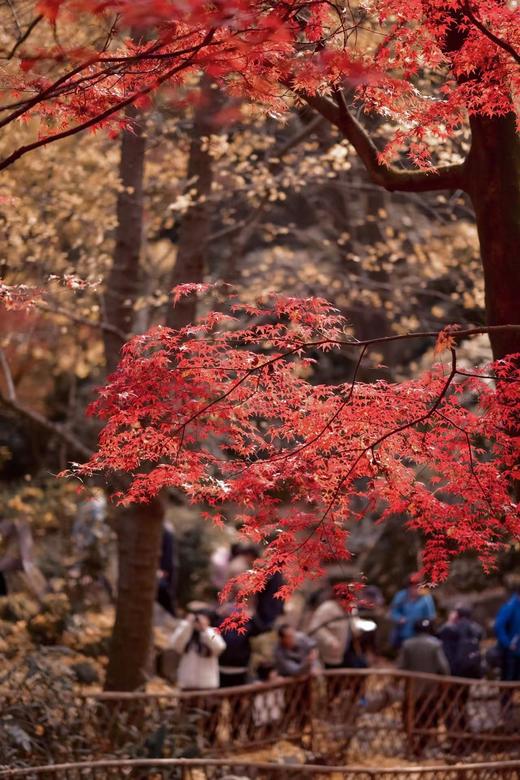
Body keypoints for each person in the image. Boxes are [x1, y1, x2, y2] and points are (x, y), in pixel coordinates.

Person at [397, 619, 450, 755]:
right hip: (430, 691)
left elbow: (400, 667)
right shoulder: (436, 645)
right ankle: (422, 746)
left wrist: (397, 681)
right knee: (429, 719)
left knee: (410, 718)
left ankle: (412, 744)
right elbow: (444, 668)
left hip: (412, 691)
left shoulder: (407, 644)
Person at [438, 605, 484, 747]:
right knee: (463, 704)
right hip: (468, 674)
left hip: (452, 674)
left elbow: (440, 634)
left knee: (449, 706)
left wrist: (449, 622)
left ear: (457, 615)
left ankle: (453, 737)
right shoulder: (476, 629)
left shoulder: (451, 629)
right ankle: (465, 736)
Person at [170, 607, 226, 690]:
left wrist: (205, 629)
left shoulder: (211, 632)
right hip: (187, 683)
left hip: (207, 684)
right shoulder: (187, 633)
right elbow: (175, 644)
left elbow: (219, 647)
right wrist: (187, 624)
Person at [217, 602, 264, 687]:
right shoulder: (220, 623)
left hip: (240, 668)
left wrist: (252, 617)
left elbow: (260, 630)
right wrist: (218, 613)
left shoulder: (246, 626)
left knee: (238, 696)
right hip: (221, 667)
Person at [389, 575, 436, 649]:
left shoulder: (426, 598)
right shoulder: (401, 596)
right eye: (412, 586)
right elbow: (393, 612)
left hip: (420, 634)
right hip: (403, 633)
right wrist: (399, 618)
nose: (414, 589)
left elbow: (431, 616)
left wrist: (424, 624)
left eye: (417, 586)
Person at [308, 589, 351, 668]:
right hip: (327, 653)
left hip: (342, 653)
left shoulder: (346, 609)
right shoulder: (327, 608)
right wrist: (330, 639)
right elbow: (314, 627)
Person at [495, 587, 520, 683]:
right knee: (509, 679)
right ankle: (505, 698)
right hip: (511, 651)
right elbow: (499, 626)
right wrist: (508, 643)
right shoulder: (510, 606)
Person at [157, 522, 177, 616]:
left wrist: (164, 569)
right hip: (162, 568)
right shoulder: (165, 528)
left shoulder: (165, 530)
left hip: (163, 570)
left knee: (165, 595)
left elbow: (168, 552)